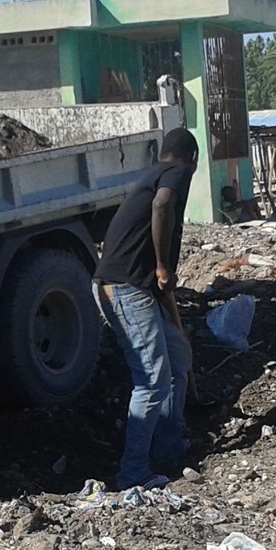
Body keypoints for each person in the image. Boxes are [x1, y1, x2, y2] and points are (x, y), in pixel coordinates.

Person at [94, 126, 200, 490]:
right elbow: (163, 204)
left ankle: (168, 450)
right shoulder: (177, 171)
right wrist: (163, 265)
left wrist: (158, 278)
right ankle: (133, 472)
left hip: (132, 288)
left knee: (178, 360)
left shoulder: (152, 173)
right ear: (194, 159)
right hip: (125, 290)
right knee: (152, 379)